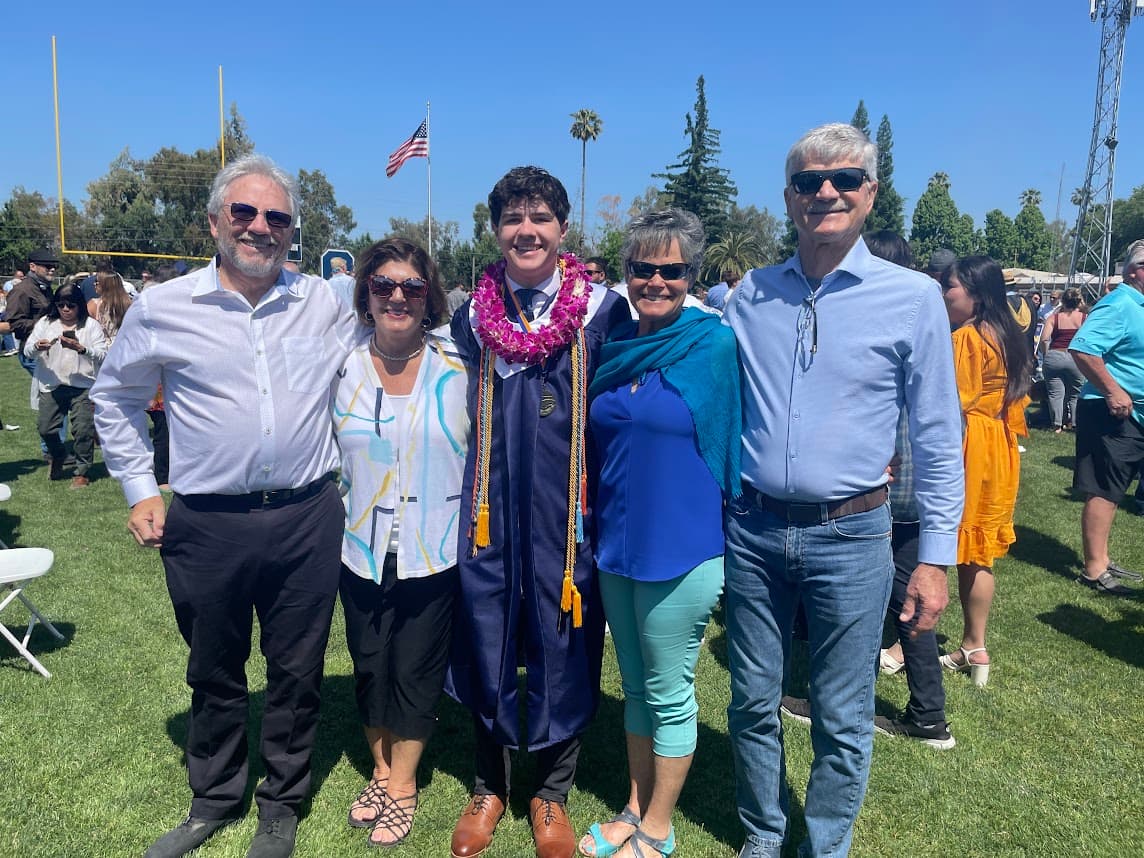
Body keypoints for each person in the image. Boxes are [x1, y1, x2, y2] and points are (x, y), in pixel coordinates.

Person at [91, 153, 358, 858]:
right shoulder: (163, 307)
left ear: (292, 231)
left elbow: (402, 322)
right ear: (214, 221)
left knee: (297, 672)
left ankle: (282, 804)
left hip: (306, 515)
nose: (260, 227)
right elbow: (113, 399)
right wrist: (141, 490)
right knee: (213, 667)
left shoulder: (322, 301)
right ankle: (213, 799)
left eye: (277, 217)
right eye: (244, 212)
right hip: (206, 523)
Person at [722, 123, 964, 858]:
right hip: (754, 531)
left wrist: (934, 558)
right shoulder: (749, 294)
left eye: (844, 180)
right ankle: (764, 836)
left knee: (842, 711)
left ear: (870, 193)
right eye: (807, 182)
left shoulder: (913, 297)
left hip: (855, 533)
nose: (825, 192)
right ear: (789, 197)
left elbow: (936, 434)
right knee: (751, 702)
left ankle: (825, 845)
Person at [445, 166, 630, 858]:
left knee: (564, 641)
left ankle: (549, 791)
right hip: (488, 507)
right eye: (512, 219)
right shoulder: (471, 315)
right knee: (486, 631)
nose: (526, 231)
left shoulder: (602, 311)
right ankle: (488, 784)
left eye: (540, 218)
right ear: (496, 231)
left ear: (562, 227)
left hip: (566, 514)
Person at [579, 209, 740, 858]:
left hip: (683, 548)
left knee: (670, 690)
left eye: (670, 271)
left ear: (690, 276)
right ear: (626, 274)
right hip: (617, 544)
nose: (655, 281)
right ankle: (633, 805)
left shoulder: (714, 346)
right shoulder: (615, 345)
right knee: (637, 685)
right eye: (642, 268)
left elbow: (734, 444)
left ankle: (659, 828)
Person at [334, 238, 469, 847]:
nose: (397, 296)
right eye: (384, 285)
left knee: (415, 668)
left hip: (432, 547)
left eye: (411, 287)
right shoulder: (342, 364)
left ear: (429, 297)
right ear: (366, 292)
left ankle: (405, 784)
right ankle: (382, 768)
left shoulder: (460, 366)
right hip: (358, 545)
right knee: (368, 665)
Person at [938, 256, 1031, 686]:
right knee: (978, 553)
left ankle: (908, 646)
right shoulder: (1010, 335)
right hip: (999, 443)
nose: (944, 294)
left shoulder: (967, 338)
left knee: (944, 542)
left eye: (950, 288)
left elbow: (950, 402)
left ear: (975, 292)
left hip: (969, 442)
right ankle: (975, 643)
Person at [1067, 238, 1144, 596]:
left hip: (1131, 412)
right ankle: (1095, 569)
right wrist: (1114, 390)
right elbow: (1083, 348)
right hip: (1111, 409)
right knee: (1106, 488)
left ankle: (1102, 556)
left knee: (1116, 488)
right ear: (1135, 271)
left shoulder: (1137, 305)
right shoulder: (1120, 303)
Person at [25, 282, 108, 487]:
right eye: (61, 305)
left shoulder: (90, 326)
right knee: (45, 428)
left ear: (79, 305)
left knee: (83, 429)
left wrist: (81, 348)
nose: (65, 310)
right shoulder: (46, 323)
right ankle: (59, 455)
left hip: (82, 384)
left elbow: (103, 354)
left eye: (70, 305)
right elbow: (27, 350)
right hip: (52, 383)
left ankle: (81, 471)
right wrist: (37, 346)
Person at [1038, 288, 1087, 432]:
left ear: (1062, 301)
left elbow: (1045, 339)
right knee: (1076, 393)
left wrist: (1047, 354)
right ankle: (1075, 423)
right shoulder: (1085, 318)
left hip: (1055, 355)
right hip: (1076, 356)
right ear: (1078, 301)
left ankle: (1057, 425)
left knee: (1055, 393)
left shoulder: (1054, 318)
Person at [8, 248, 59, 377]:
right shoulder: (21, 290)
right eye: (47, 266)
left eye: (54, 266)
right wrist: (46, 324)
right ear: (33, 266)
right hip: (32, 351)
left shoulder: (45, 288)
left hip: (48, 348)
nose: (52, 269)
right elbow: (16, 324)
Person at [87, 270, 133, 346]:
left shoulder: (94, 304)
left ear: (105, 285)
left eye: (97, 281)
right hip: (124, 346)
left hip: (103, 348)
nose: (94, 284)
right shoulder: (129, 304)